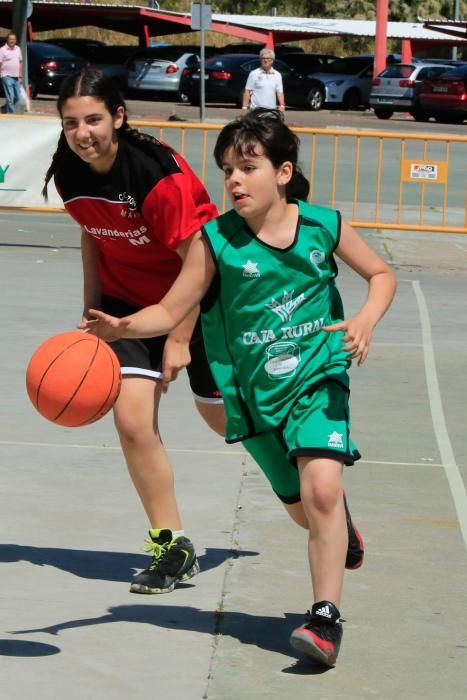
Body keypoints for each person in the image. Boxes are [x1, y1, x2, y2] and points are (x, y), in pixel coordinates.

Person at [79, 108, 397, 667]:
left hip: (317, 379)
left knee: (322, 489)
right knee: (306, 508)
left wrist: (366, 319)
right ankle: (339, 527)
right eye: (227, 169)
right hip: (251, 400)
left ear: (282, 172)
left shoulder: (324, 225)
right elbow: (171, 309)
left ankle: (324, 619)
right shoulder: (214, 243)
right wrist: (122, 326)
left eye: (247, 167)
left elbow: (381, 274)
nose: (233, 180)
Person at [42, 68, 226, 595]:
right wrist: (93, 306)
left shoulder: (154, 172)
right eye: (71, 122)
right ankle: (173, 546)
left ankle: (311, 486)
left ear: (118, 117)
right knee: (131, 420)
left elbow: (200, 260)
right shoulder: (69, 172)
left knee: (226, 422)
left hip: (199, 300)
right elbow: (94, 235)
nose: (83, 133)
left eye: (94, 119)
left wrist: (177, 336)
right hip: (126, 307)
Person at [242, 48, 285, 113]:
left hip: (271, 111)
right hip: (255, 111)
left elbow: (279, 92)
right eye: (263, 58)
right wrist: (244, 107)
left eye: (268, 58)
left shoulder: (277, 75)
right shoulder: (254, 73)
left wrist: (282, 105)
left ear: (272, 60)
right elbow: (247, 91)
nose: (265, 60)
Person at [0, 32, 23, 114]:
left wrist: (20, 75)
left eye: (13, 39)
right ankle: (12, 115)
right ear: (7, 40)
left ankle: (4, 108)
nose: (12, 41)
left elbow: (20, 62)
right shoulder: (2, 50)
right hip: (6, 76)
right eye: (10, 39)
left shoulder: (18, 49)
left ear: (16, 40)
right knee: (10, 96)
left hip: (16, 77)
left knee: (17, 97)